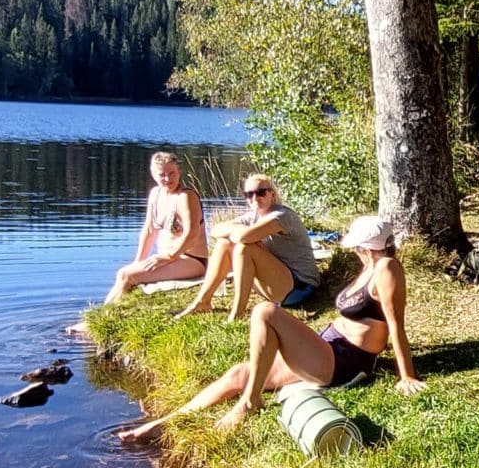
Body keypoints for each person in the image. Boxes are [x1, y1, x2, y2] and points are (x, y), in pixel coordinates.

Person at [119, 215, 423, 442]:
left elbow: (396, 326)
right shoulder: (369, 267)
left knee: (265, 312)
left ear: (365, 247)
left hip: (344, 361)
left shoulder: (387, 268)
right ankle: (166, 422)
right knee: (240, 372)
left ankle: (250, 402)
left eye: (356, 246)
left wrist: (407, 375)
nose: (354, 251)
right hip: (329, 346)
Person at [175, 172, 324, 319]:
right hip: (277, 285)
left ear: (272, 194)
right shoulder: (254, 217)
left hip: (300, 288)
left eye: (261, 192)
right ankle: (203, 301)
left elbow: (243, 237)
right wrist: (241, 235)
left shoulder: (281, 215)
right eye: (249, 194)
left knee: (244, 248)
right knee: (225, 243)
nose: (255, 198)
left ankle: (237, 313)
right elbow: (216, 230)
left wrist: (242, 235)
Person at [104, 151, 210, 301]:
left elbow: (192, 234)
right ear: (154, 175)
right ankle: (99, 316)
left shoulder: (186, 197)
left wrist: (169, 257)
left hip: (191, 260)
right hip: (167, 258)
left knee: (127, 275)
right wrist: (138, 261)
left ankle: (100, 320)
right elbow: (149, 230)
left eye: (172, 173)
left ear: (179, 171)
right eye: (162, 175)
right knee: (124, 272)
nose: (168, 179)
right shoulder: (155, 194)